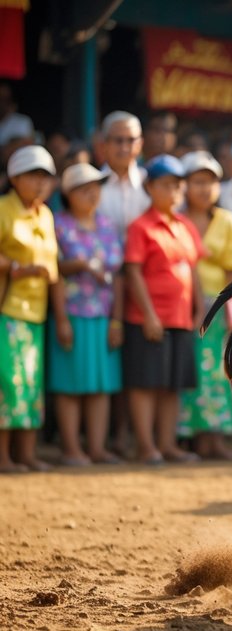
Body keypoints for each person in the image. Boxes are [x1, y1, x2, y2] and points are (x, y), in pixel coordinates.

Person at [122, 154, 204, 465]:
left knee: (173, 383)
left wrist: (200, 309)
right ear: (150, 187)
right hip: (149, 317)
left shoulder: (184, 225)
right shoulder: (140, 226)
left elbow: (192, 268)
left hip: (181, 317)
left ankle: (167, 444)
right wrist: (149, 315)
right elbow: (132, 272)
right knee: (146, 383)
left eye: (177, 185)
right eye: (165, 184)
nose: (173, 191)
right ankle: (146, 446)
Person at [176, 151, 232, 460]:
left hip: (218, 308)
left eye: (210, 181)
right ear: (185, 185)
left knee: (218, 372)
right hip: (180, 304)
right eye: (197, 181)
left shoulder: (229, 222)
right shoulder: (175, 220)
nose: (205, 188)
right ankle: (190, 438)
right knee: (187, 368)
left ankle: (214, 439)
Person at [50, 162, 124, 466]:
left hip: (103, 316)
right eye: (83, 188)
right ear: (67, 193)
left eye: (95, 187)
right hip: (71, 312)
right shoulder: (58, 224)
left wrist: (116, 320)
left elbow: (118, 276)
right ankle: (71, 449)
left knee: (100, 384)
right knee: (70, 383)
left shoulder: (107, 225)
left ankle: (96, 449)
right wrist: (62, 319)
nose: (91, 193)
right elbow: (53, 272)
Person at [0, 146, 58, 472]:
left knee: (30, 383)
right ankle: (3, 456)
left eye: (45, 177)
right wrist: (16, 268)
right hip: (6, 309)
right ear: (15, 178)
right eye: (33, 176)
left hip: (36, 312)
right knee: (7, 382)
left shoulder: (45, 214)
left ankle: (26, 453)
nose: (40, 184)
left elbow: (53, 271)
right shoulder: (3, 209)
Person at [96, 111, 149, 240]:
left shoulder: (149, 182)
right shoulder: (92, 185)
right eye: (118, 140)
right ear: (104, 145)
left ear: (140, 144)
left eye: (131, 140)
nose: (124, 148)